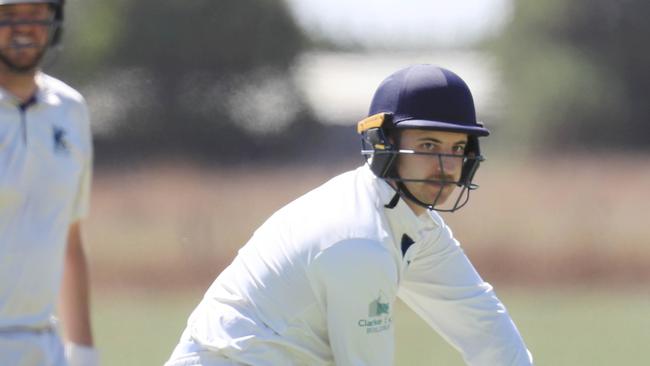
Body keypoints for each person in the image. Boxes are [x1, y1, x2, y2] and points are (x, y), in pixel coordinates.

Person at [166, 65, 533, 365]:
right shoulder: (358, 240)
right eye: (428, 145)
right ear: (383, 144)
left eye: (457, 148)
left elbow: (483, 325)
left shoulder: (413, 224)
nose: (446, 165)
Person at [0, 0, 98, 365]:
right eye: (8, 16)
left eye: (34, 14)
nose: (24, 27)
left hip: (44, 347)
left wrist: (84, 354)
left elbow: (69, 241)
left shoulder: (70, 109)